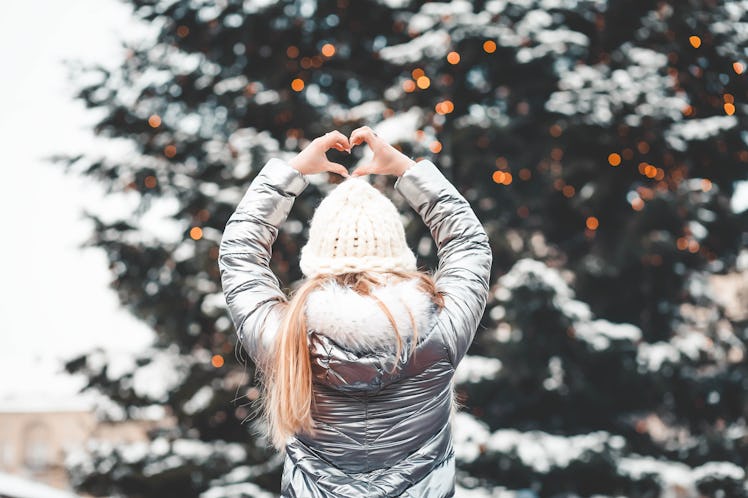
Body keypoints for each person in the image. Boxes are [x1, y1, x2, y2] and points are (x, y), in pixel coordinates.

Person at [218, 126, 493, 498]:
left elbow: (240, 255)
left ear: (318, 255)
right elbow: (469, 244)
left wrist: (292, 171)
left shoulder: (286, 338)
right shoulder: (439, 330)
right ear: (396, 249)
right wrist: (405, 169)